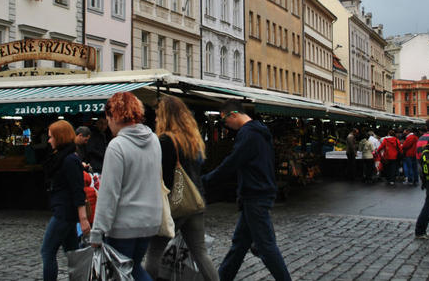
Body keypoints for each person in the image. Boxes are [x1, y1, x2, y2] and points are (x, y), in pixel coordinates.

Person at [202, 100, 291, 281]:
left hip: (255, 195)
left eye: (224, 121)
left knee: (266, 246)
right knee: (239, 245)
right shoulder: (259, 131)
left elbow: (232, 163)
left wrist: (205, 180)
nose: (226, 126)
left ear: (233, 114)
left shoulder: (248, 134)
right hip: (257, 193)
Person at [144, 96, 219, 281]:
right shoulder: (193, 139)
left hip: (175, 205)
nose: (155, 119)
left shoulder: (165, 141)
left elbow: (164, 178)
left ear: (165, 116)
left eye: (157, 115)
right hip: (195, 201)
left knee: (154, 252)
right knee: (201, 254)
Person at [90, 92, 162, 281]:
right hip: (149, 220)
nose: (108, 124)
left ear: (114, 115)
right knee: (134, 268)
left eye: (107, 118)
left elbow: (108, 193)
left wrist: (97, 232)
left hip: (124, 224)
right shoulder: (153, 140)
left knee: (124, 272)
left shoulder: (117, 146)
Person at [41, 120, 90, 281]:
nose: (49, 141)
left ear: (59, 137)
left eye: (51, 137)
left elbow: (78, 190)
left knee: (47, 251)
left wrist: (83, 219)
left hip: (64, 213)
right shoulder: (63, 157)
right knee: (73, 253)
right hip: (65, 212)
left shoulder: (69, 160)